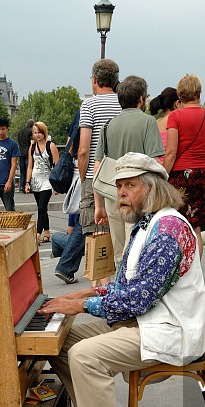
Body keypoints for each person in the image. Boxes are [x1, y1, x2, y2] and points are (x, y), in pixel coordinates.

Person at [42, 152, 205, 407]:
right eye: (118, 187)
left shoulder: (168, 230)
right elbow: (126, 286)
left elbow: (138, 299)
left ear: (152, 188)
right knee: (58, 341)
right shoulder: (149, 223)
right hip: (144, 320)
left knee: (84, 355)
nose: (120, 194)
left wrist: (83, 304)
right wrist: (86, 292)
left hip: (166, 330)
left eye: (129, 186)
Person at [55, 59, 122, 285]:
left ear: (94, 80)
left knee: (94, 233)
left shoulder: (89, 106)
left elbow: (83, 149)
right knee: (117, 234)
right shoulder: (123, 105)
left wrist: (84, 178)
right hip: (121, 176)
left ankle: (99, 284)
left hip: (96, 176)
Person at [94, 75, 164, 258]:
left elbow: (98, 168)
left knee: (118, 251)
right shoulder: (149, 122)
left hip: (113, 194)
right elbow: (156, 162)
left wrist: (98, 205)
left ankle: (120, 283)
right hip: (138, 194)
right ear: (141, 99)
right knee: (135, 248)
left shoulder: (108, 126)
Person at [163, 73, 205, 256]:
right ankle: (195, 273)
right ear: (199, 94)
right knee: (196, 229)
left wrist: (163, 177)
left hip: (180, 176)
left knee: (178, 224)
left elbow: (171, 152)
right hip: (203, 174)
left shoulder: (175, 117)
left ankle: (180, 271)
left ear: (179, 96)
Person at [25, 121, 58, 244]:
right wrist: (27, 182)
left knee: (41, 207)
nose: (37, 135)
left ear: (44, 133)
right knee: (42, 208)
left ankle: (37, 235)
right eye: (35, 133)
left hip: (47, 181)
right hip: (35, 180)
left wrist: (56, 185)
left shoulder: (51, 146)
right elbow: (30, 166)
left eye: (39, 132)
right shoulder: (32, 147)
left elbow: (57, 165)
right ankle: (47, 233)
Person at [149, 87, 179, 165]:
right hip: (170, 167)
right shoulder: (176, 121)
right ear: (177, 104)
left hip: (156, 167)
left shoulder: (155, 123)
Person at [17, 119, 35, 193]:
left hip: (21, 152)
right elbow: (32, 142)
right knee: (29, 169)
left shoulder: (20, 132)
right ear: (32, 125)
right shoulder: (30, 132)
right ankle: (28, 186)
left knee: (22, 170)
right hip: (28, 153)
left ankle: (21, 185)